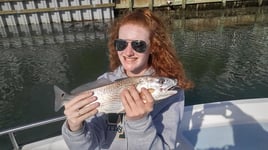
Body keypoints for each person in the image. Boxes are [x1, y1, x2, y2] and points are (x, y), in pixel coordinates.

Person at [62, 8, 193, 150]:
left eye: (138, 45)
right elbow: (86, 146)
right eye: (121, 44)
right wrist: (75, 127)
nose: (128, 52)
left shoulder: (171, 93)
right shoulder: (105, 82)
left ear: (153, 47)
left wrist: (139, 123)